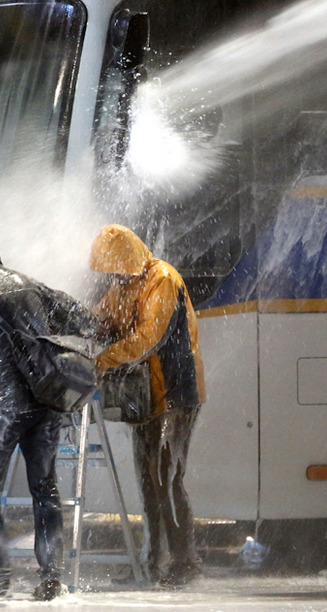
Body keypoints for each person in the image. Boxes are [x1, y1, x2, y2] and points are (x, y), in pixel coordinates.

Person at [0, 237, 97, 601]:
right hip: (46, 400)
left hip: (1, 407)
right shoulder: (30, 283)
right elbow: (85, 321)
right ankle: (51, 578)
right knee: (44, 486)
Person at [89, 224, 206, 587]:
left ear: (129, 259)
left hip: (176, 395)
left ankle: (184, 562)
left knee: (168, 478)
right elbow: (102, 320)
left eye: (115, 268)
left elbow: (148, 338)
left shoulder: (163, 280)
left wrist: (103, 359)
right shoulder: (123, 284)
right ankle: (152, 561)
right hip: (143, 398)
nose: (112, 275)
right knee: (146, 478)